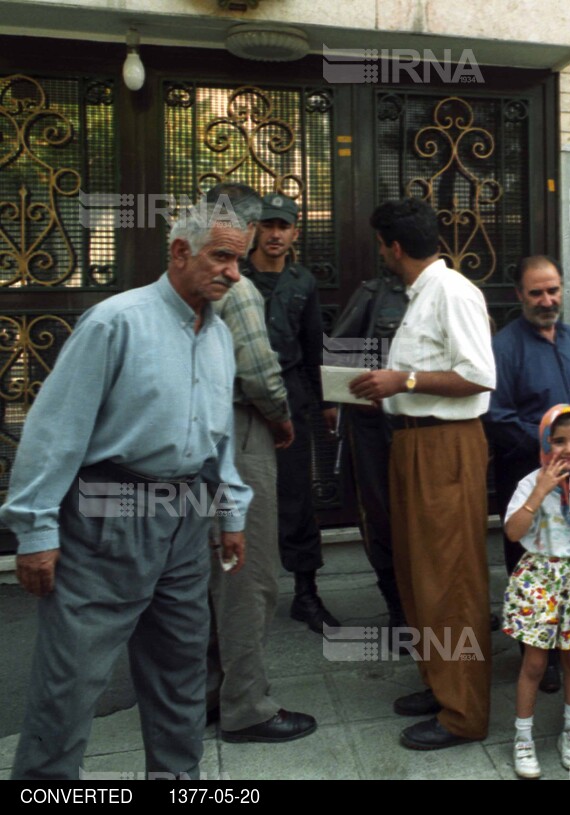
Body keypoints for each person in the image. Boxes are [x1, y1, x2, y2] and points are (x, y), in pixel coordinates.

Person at [1, 201, 253, 779]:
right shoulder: (116, 322)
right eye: (222, 257)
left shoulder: (216, 335)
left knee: (180, 672)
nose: (234, 273)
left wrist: (231, 513)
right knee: (69, 685)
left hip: (187, 520)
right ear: (180, 252)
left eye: (238, 261)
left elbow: (219, 437)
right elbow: (55, 429)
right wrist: (36, 529)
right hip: (106, 518)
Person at [349, 197, 496, 751]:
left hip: (446, 445)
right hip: (413, 444)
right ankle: (441, 684)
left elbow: (479, 376)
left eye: (382, 247)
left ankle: (464, 713)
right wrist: (383, 390)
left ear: (393, 247)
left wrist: (402, 383)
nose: (383, 256)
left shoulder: (453, 291)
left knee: (450, 579)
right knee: (419, 574)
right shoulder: (421, 295)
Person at [202, 183, 315, 744]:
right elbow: (260, 372)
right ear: (247, 231)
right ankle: (245, 705)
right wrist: (283, 418)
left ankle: (207, 691)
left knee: (209, 575)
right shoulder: (237, 286)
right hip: (242, 434)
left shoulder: (186, 277)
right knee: (247, 576)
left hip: (198, 437)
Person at [487, 255, 570, 695]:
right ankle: (534, 652)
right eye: (536, 292)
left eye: (553, 290)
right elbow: (495, 415)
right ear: (519, 296)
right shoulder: (505, 346)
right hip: (528, 474)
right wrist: (548, 448)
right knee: (530, 563)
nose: (547, 300)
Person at [240, 193, 336, 633]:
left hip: (292, 395)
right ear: (256, 229)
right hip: (239, 403)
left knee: (297, 496)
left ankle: (305, 593)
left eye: (284, 227)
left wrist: (328, 401)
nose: (276, 234)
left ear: (296, 232)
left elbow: (315, 342)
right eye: (268, 225)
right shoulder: (235, 277)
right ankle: (238, 594)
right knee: (239, 498)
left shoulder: (303, 281)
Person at [502, 405, 570, 779]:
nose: (568, 448)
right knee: (534, 663)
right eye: (559, 440)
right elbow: (514, 532)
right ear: (545, 441)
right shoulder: (529, 482)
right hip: (539, 578)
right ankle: (523, 737)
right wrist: (540, 491)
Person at [328, 267, 409, 630]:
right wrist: (356, 396)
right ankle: (398, 610)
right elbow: (339, 354)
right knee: (381, 518)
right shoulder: (374, 294)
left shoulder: (445, 290)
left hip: (425, 428)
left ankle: (438, 605)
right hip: (375, 431)